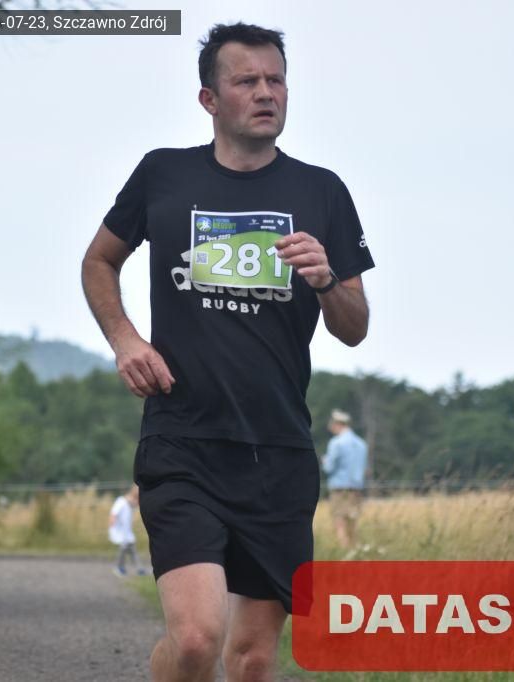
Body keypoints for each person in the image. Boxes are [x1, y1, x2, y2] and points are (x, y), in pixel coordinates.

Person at [81, 21, 374, 682]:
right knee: (194, 641)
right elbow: (99, 260)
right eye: (247, 81)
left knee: (251, 659)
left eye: (276, 80)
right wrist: (126, 340)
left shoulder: (321, 191)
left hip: (278, 452)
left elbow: (354, 327)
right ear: (209, 99)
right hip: (183, 441)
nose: (266, 93)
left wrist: (327, 279)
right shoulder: (164, 174)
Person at [322, 409, 368, 548]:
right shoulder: (361, 443)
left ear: (337, 424)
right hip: (356, 488)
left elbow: (329, 468)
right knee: (353, 523)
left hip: (339, 488)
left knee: (339, 522)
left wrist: (325, 461)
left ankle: (344, 552)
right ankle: (354, 551)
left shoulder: (336, 443)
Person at [109, 484, 147, 576]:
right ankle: (119, 567)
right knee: (124, 548)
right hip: (119, 531)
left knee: (132, 550)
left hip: (127, 533)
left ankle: (139, 568)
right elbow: (113, 513)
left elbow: (134, 505)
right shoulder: (121, 502)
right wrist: (112, 521)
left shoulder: (130, 505)